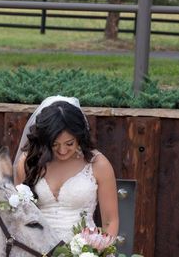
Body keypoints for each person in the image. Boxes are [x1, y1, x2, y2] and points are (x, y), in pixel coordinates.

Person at [13, 96, 119, 242]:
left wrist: (101, 250)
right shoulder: (29, 162)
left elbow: (110, 221)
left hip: (84, 249)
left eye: (69, 143)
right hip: (38, 248)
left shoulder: (98, 164)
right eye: (55, 144)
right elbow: (20, 216)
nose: (62, 150)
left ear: (79, 137)